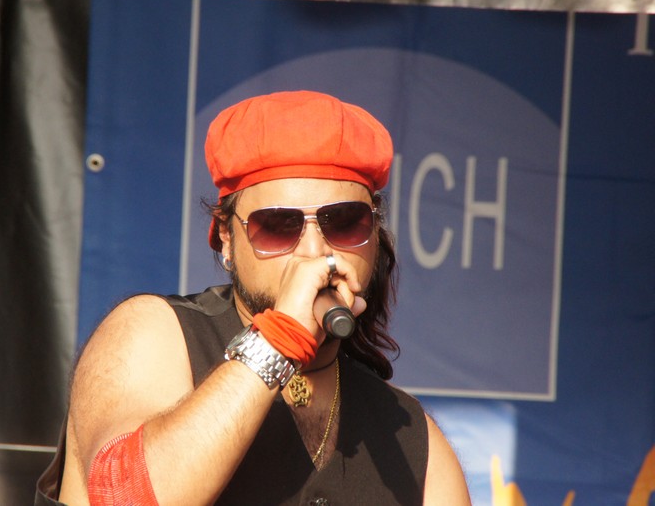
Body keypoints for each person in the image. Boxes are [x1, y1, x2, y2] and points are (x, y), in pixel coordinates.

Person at [35, 90, 471, 505]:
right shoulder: (152, 333)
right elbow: (124, 498)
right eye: (278, 226)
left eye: (343, 221)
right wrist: (278, 340)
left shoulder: (415, 440)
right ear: (226, 239)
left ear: (374, 235)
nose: (314, 250)